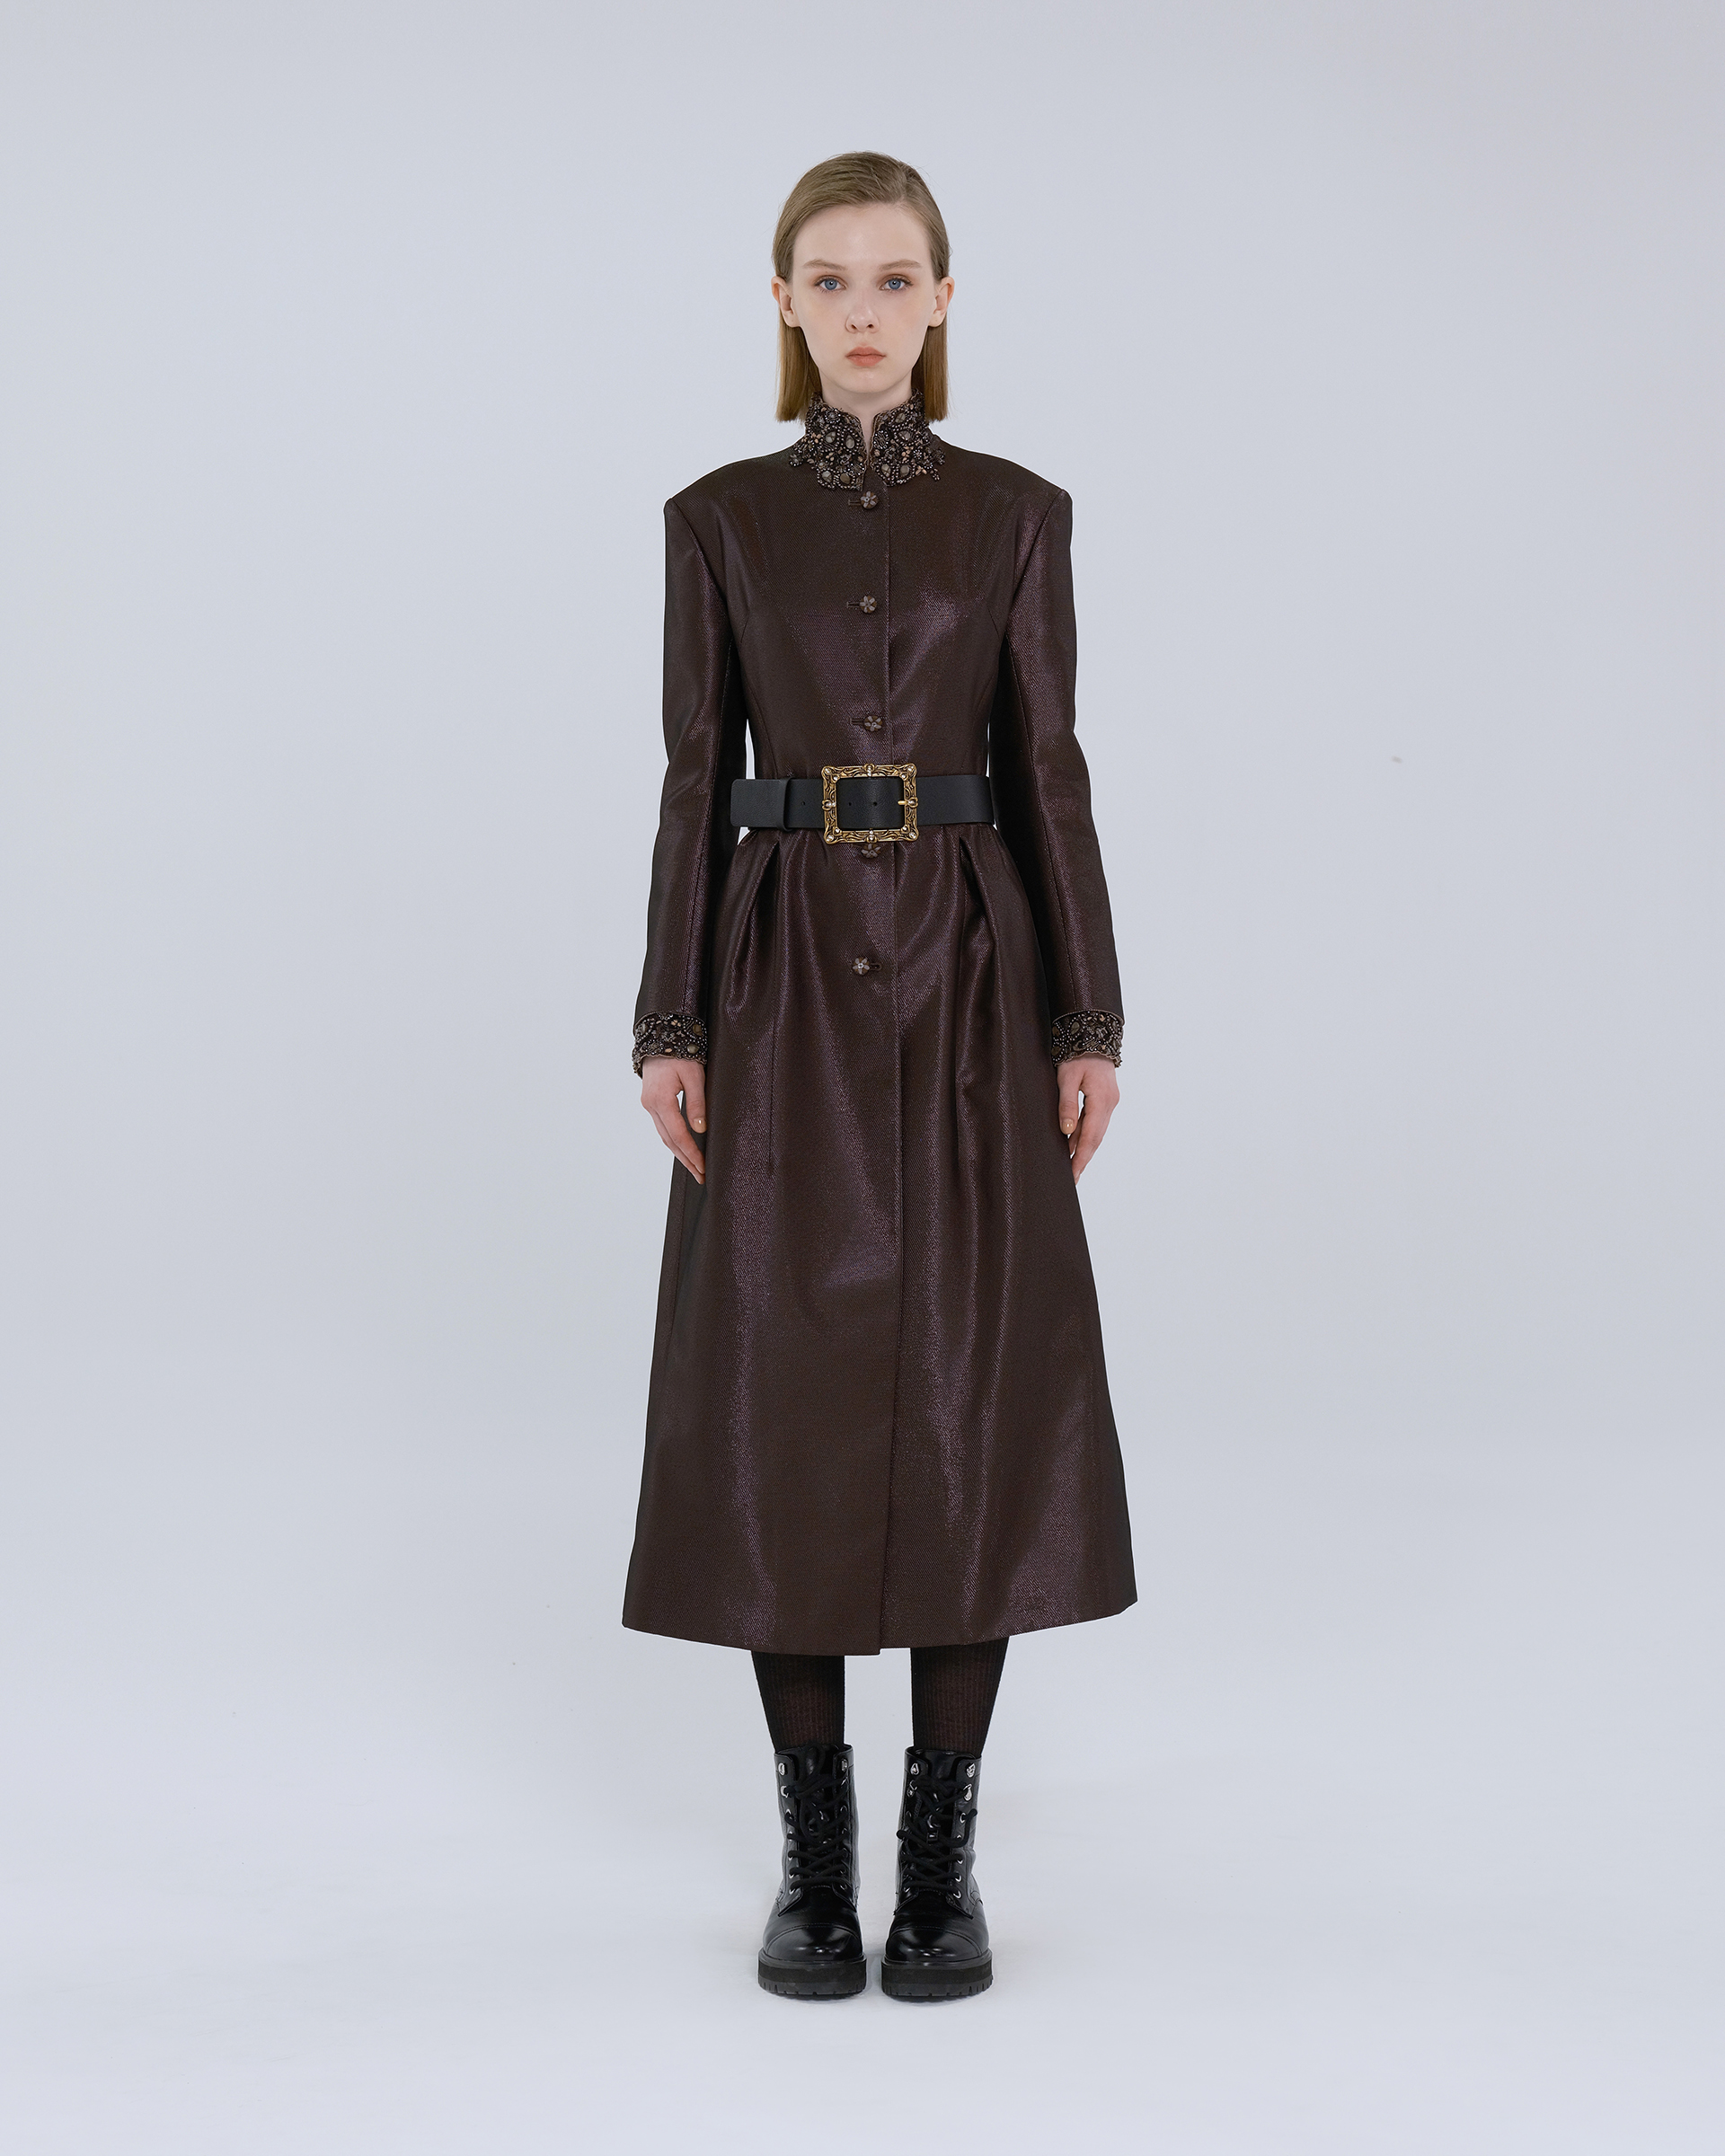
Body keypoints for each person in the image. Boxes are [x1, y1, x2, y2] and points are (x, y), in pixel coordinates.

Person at [628, 151, 1134, 2002]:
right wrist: (669, 1022)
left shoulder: (1015, 515)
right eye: (829, 280)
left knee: (968, 1388)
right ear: (783, 304)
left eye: (894, 279)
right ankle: (814, 1863)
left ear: (941, 301)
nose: (863, 310)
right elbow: (694, 777)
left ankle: (940, 1866)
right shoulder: (719, 521)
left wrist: (1086, 1018)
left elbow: (1050, 766)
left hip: (975, 979)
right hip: (776, 986)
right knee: (781, 1389)